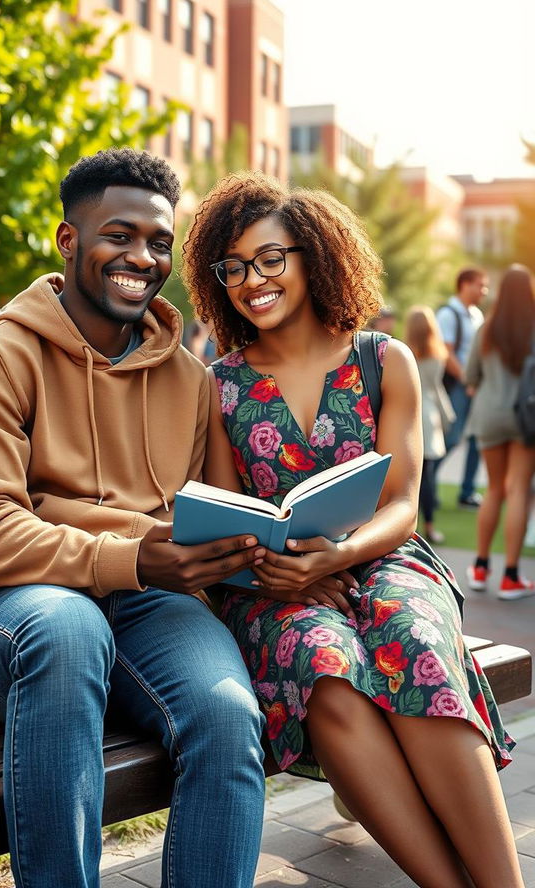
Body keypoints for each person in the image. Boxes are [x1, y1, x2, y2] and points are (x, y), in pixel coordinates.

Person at [0, 149, 266, 888]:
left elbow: (210, 514)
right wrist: (136, 557)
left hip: (148, 611)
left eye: (158, 243)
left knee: (228, 716)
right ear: (68, 239)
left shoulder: (188, 378)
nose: (140, 258)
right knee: (69, 628)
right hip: (17, 617)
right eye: (119, 235)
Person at [182, 172, 524, 888]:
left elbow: (402, 503)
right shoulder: (221, 384)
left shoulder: (381, 359)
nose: (253, 279)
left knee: (412, 638)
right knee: (325, 667)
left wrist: (338, 555)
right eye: (235, 267)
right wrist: (288, 573)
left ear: (311, 255)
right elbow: (224, 516)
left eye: (271, 258)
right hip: (272, 588)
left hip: (385, 556)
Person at [465, 264, 535, 600]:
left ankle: (480, 567)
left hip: (489, 414)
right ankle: (510, 576)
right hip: (526, 416)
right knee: (519, 489)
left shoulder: (486, 327)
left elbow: (471, 376)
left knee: (493, 489)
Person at [435, 268, 488, 508]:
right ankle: (427, 485)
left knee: (477, 439)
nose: (484, 291)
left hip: (475, 387)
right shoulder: (448, 314)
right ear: (465, 285)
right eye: (480, 285)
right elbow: (446, 353)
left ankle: (467, 491)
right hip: (458, 385)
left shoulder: (477, 315)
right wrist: (468, 381)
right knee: (451, 438)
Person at [405, 306, 455, 546]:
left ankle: (407, 527)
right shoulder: (437, 356)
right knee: (428, 476)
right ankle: (430, 527)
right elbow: (437, 390)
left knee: (410, 478)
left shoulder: (404, 353)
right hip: (430, 416)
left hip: (409, 414)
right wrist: (448, 416)